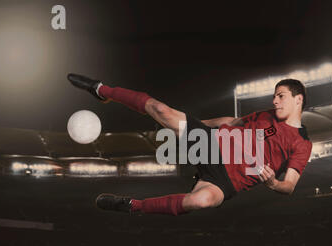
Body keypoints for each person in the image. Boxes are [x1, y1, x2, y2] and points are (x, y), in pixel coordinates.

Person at [67, 74, 312, 216]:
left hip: (228, 182)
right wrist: (191, 126)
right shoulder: (267, 114)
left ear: (298, 99)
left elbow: (289, 186)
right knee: (161, 110)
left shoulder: (302, 143)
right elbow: (232, 121)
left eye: (281, 96)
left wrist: (273, 183)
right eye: (274, 95)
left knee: (200, 201)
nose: (274, 100)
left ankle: (133, 205)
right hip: (211, 145)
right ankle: (102, 90)